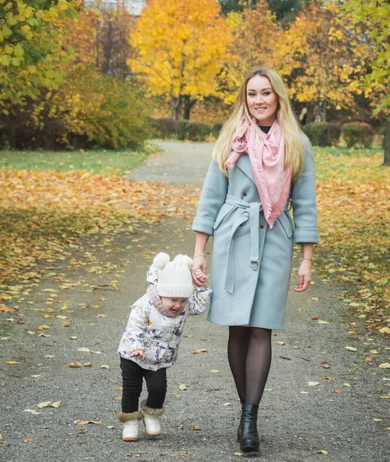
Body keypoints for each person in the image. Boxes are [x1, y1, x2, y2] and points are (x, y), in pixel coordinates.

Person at [191, 67, 319, 455]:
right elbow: (211, 197)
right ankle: (245, 409)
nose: (259, 100)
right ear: (243, 99)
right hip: (234, 238)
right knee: (237, 331)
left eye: (266, 93)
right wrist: (200, 251)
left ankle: (250, 419)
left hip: (275, 239)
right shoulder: (231, 139)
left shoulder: (297, 143)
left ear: (278, 96)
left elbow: (307, 205)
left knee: (261, 329)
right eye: (252, 94)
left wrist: (306, 259)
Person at [117, 252, 211, 442]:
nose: (178, 305)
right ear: (161, 293)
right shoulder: (144, 305)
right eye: (173, 300)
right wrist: (137, 346)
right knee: (131, 390)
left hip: (159, 360)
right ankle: (130, 422)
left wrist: (200, 286)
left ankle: (151, 414)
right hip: (133, 355)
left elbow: (200, 306)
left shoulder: (184, 305)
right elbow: (133, 327)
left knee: (158, 388)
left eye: (183, 300)